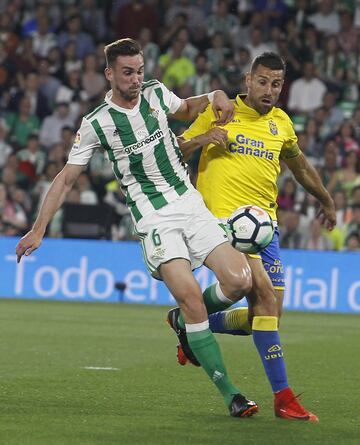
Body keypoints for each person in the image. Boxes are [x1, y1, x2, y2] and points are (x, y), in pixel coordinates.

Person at [15, 38, 257, 419]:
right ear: (109, 73)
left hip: (191, 205)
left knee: (241, 282)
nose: (135, 79)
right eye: (127, 72)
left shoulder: (157, 93)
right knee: (192, 297)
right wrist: (38, 228)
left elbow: (191, 107)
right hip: (154, 217)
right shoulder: (96, 123)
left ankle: (179, 321)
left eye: (140, 71)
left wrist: (218, 94)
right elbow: (65, 179)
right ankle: (231, 393)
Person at [168, 52, 336, 422]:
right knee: (261, 297)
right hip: (225, 223)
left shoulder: (282, 124)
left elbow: (300, 166)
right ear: (248, 80)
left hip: (265, 227)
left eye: (276, 84)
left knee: (267, 315)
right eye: (262, 81)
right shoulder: (221, 110)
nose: (269, 90)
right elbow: (175, 148)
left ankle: (189, 321)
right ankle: (283, 397)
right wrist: (206, 137)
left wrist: (325, 199)